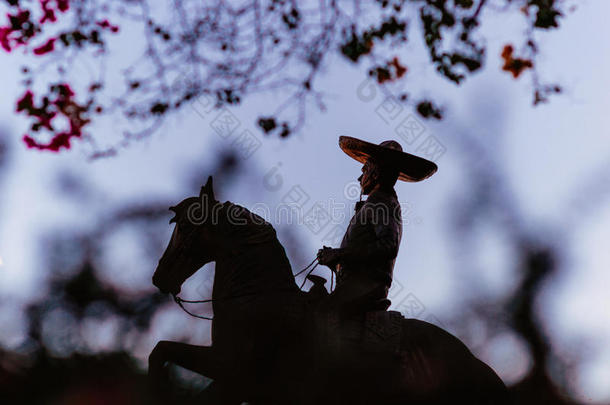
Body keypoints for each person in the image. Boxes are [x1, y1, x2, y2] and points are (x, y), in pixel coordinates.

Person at [316, 136, 437, 318]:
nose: (359, 177)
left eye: (364, 170)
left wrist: (340, 254)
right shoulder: (376, 202)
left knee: (322, 317)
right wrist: (337, 261)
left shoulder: (381, 202)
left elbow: (389, 245)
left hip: (367, 287)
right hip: (355, 284)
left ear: (375, 172)